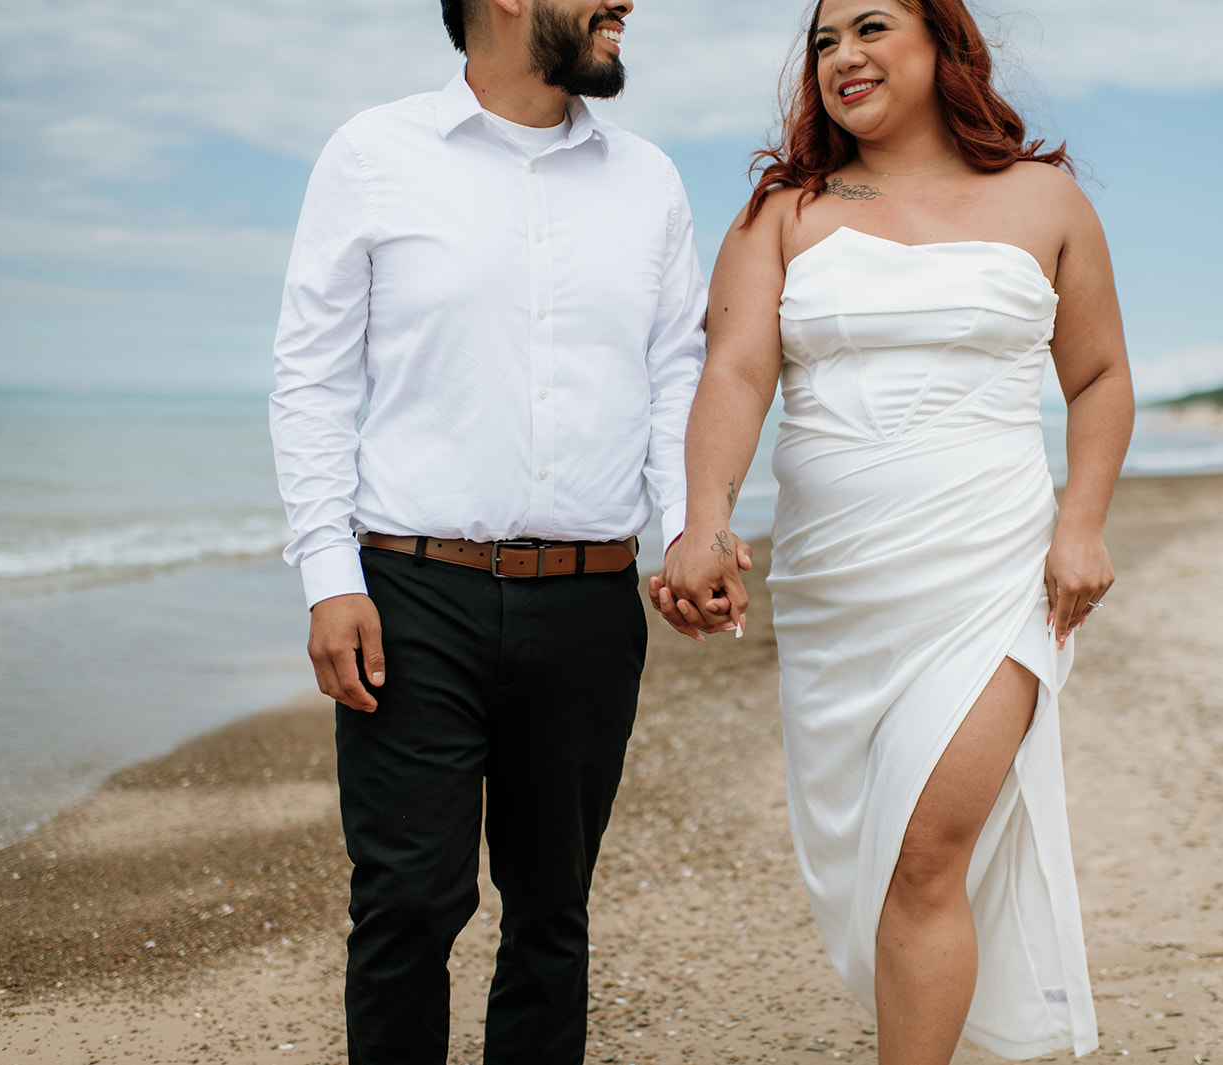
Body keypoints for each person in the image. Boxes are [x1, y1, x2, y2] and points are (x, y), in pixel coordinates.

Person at [651, 0, 1133, 1059]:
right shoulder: (786, 209)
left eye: (870, 27)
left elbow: (1097, 378)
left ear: (942, 45)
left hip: (994, 574)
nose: (843, 57)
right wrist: (703, 523)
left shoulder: (1044, 199)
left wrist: (1080, 527)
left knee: (925, 857)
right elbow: (734, 373)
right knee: (868, 869)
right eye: (824, 41)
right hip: (836, 593)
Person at [267, 0, 728, 1060]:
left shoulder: (647, 180)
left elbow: (674, 373)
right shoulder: (373, 154)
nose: (624, 2)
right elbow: (313, 375)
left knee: (552, 914)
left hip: (588, 601)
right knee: (408, 906)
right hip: (410, 596)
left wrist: (687, 529)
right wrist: (327, 576)